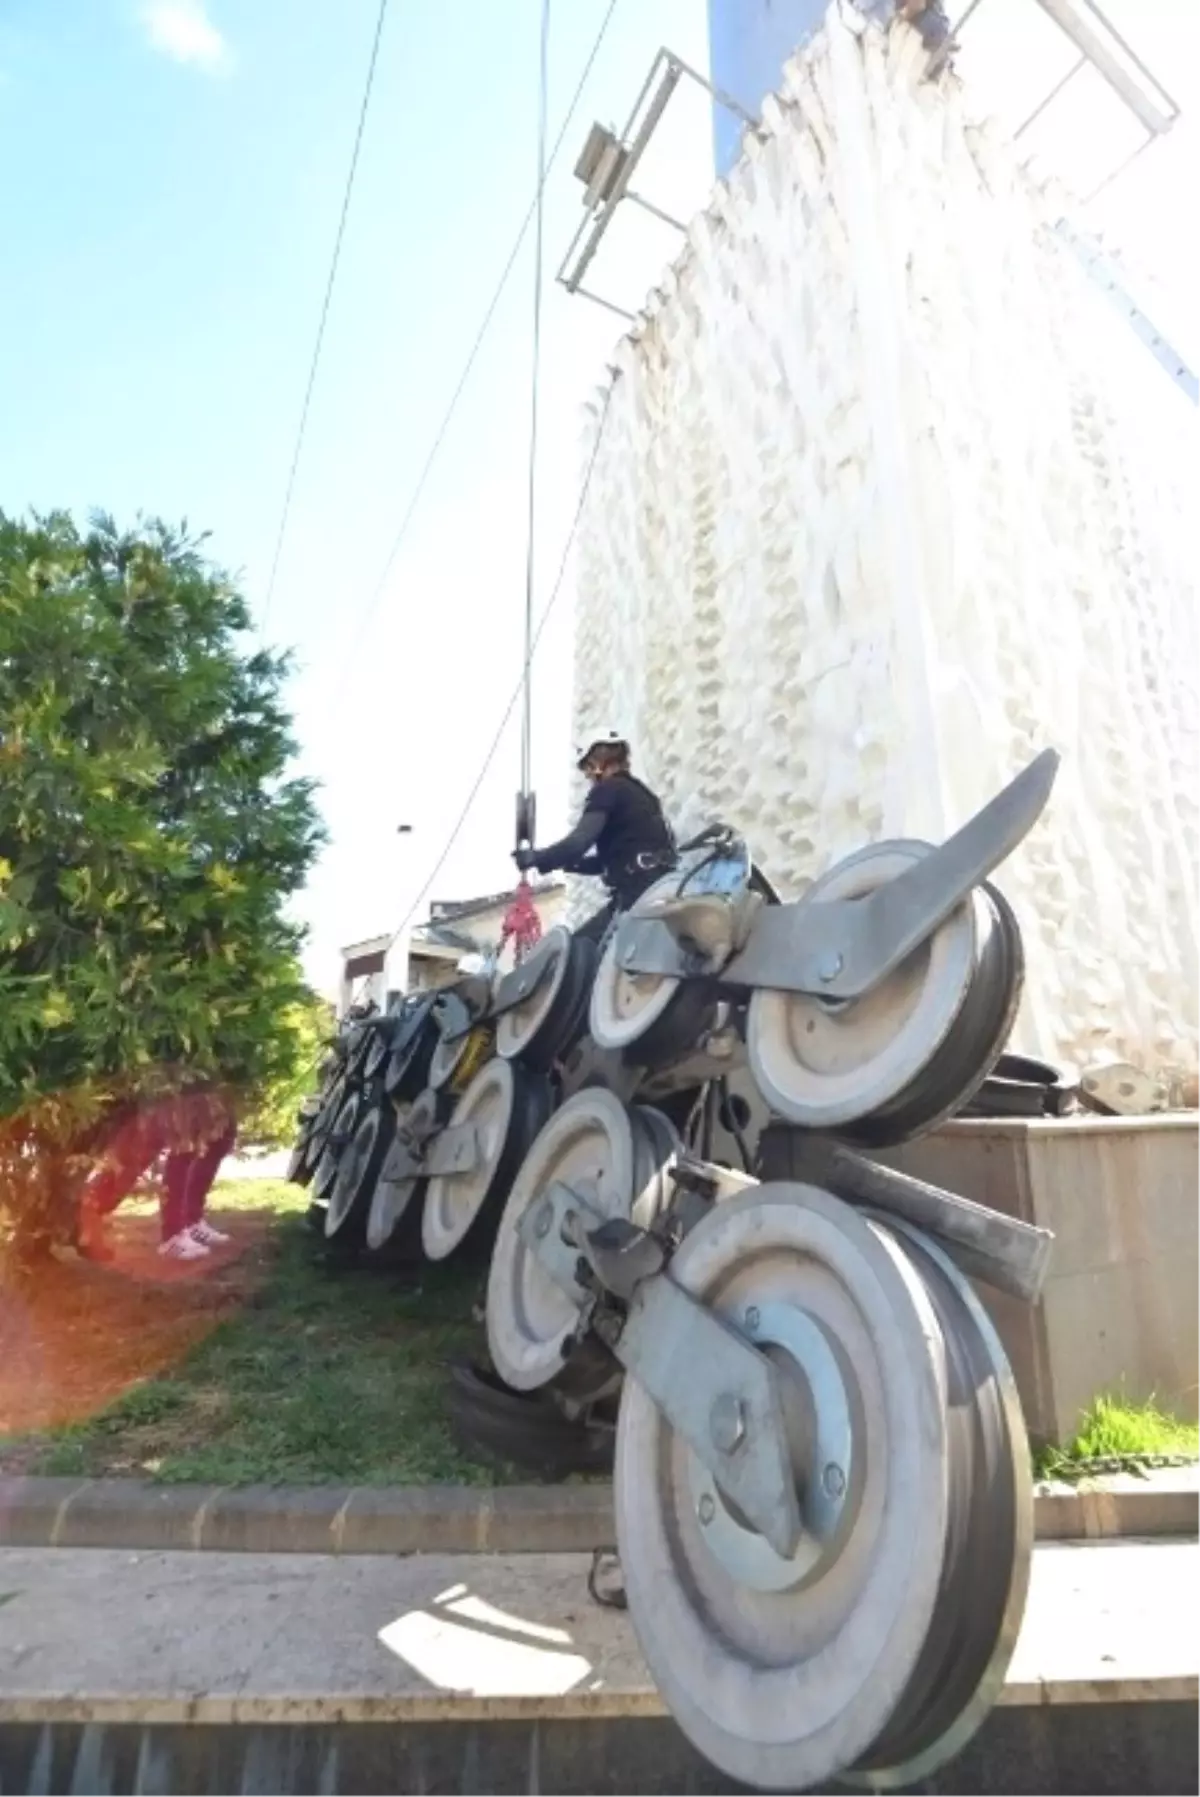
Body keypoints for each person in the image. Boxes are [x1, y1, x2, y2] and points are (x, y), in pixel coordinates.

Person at [513, 731, 677, 944]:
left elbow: (579, 842)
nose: (587, 775)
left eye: (587, 767)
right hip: (659, 885)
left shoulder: (608, 790)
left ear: (598, 761)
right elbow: (613, 859)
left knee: (576, 951)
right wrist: (567, 864)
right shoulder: (642, 794)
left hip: (637, 893)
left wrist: (537, 858)